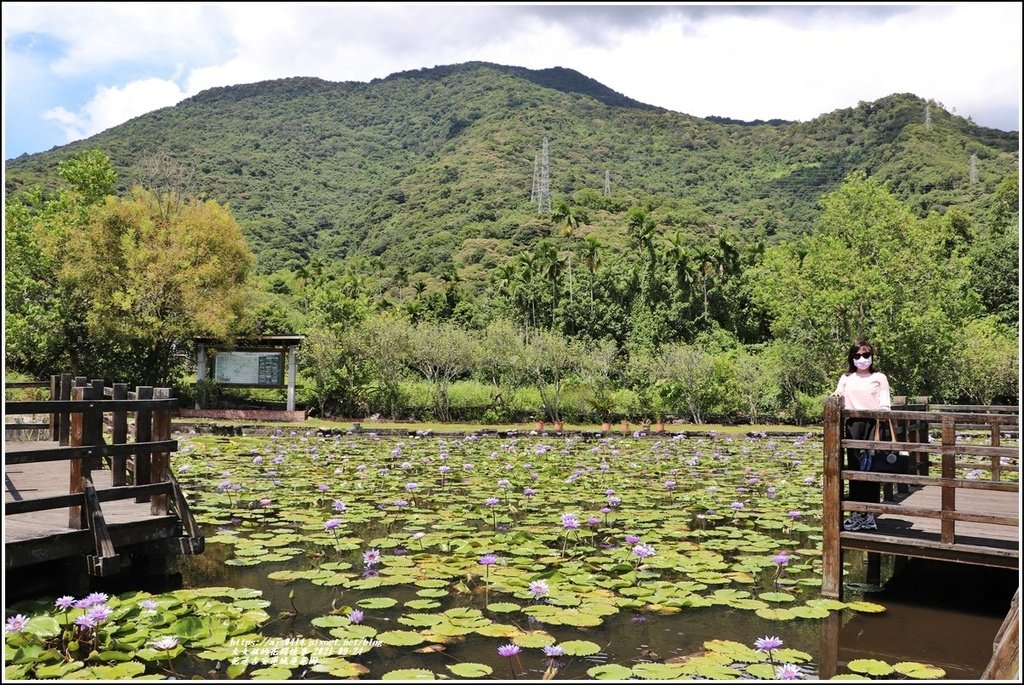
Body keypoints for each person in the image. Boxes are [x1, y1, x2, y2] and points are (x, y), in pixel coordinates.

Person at [832, 339, 891, 531]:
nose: (862, 359)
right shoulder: (846, 378)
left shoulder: (879, 377)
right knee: (855, 469)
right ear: (852, 358)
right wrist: (835, 396)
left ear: (871, 356)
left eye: (866, 355)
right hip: (852, 426)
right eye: (857, 356)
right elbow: (838, 393)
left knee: (871, 470)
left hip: (873, 426)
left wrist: (882, 413)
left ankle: (869, 515)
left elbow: (884, 401)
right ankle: (856, 513)